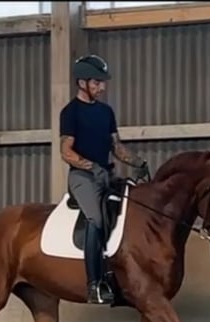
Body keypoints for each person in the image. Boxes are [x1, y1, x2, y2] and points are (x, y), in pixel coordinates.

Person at [59, 54, 149, 305]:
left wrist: (139, 162)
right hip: (83, 178)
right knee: (96, 219)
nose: (102, 87)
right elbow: (66, 152)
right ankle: (94, 284)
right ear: (82, 83)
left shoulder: (106, 112)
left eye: (102, 82)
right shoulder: (70, 113)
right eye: (97, 82)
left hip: (107, 174)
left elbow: (116, 148)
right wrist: (91, 167)